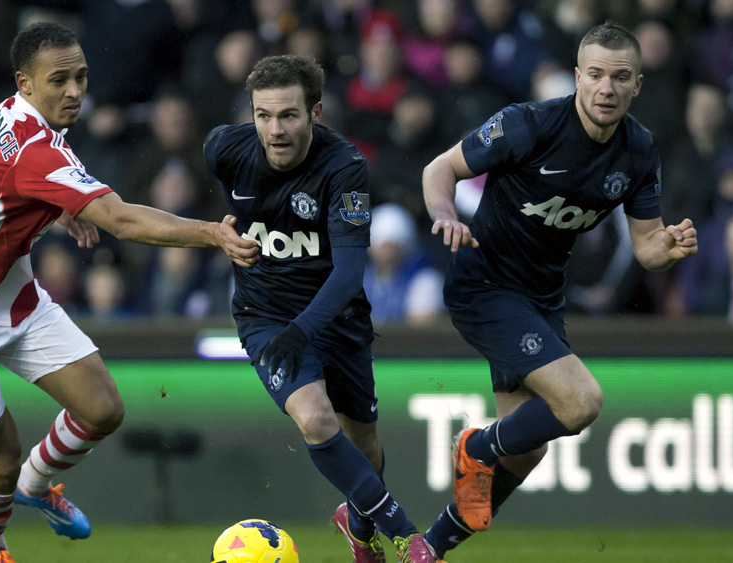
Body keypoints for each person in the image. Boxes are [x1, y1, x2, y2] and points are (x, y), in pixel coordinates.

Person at [0, 22, 258, 563]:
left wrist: (58, 207)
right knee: (1, 458)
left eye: (81, 77)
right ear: (25, 83)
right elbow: (121, 221)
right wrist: (211, 233)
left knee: (103, 409)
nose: (74, 91)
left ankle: (34, 488)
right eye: (59, 80)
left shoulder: (14, 120)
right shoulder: (36, 151)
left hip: (9, 293)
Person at [420, 21, 698, 559]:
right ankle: (474, 447)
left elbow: (645, 247)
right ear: (577, 77)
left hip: (542, 296)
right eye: (595, 75)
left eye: (620, 78)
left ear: (637, 85)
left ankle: (429, 547)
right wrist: (443, 213)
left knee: (527, 451)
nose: (606, 89)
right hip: (485, 284)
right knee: (581, 402)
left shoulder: (639, 151)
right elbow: (441, 168)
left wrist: (666, 248)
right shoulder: (528, 124)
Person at [203, 54, 439, 563]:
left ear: (316, 111)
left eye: (288, 115)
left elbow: (350, 271)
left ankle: (357, 527)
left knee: (366, 446)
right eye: (263, 115)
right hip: (264, 315)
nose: (275, 129)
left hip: (336, 315)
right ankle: (409, 538)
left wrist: (302, 331)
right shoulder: (224, 149)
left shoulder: (345, 167)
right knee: (314, 417)